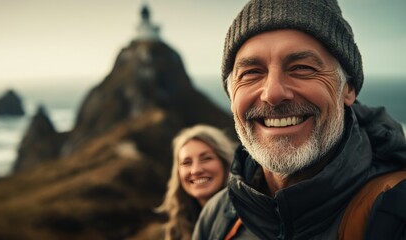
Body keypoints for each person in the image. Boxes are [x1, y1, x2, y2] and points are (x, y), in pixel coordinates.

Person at [192, 0, 406, 239]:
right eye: (252, 72)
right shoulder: (219, 217)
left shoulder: (395, 211)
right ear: (231, 94)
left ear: (349, 89)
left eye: (302, 68)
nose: (272, 93)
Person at [157, 124, 237, 240]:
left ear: (225, 164)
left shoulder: (246, 219)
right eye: (186, 162)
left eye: (206, 158)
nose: (195, 170)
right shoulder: (177, 230)